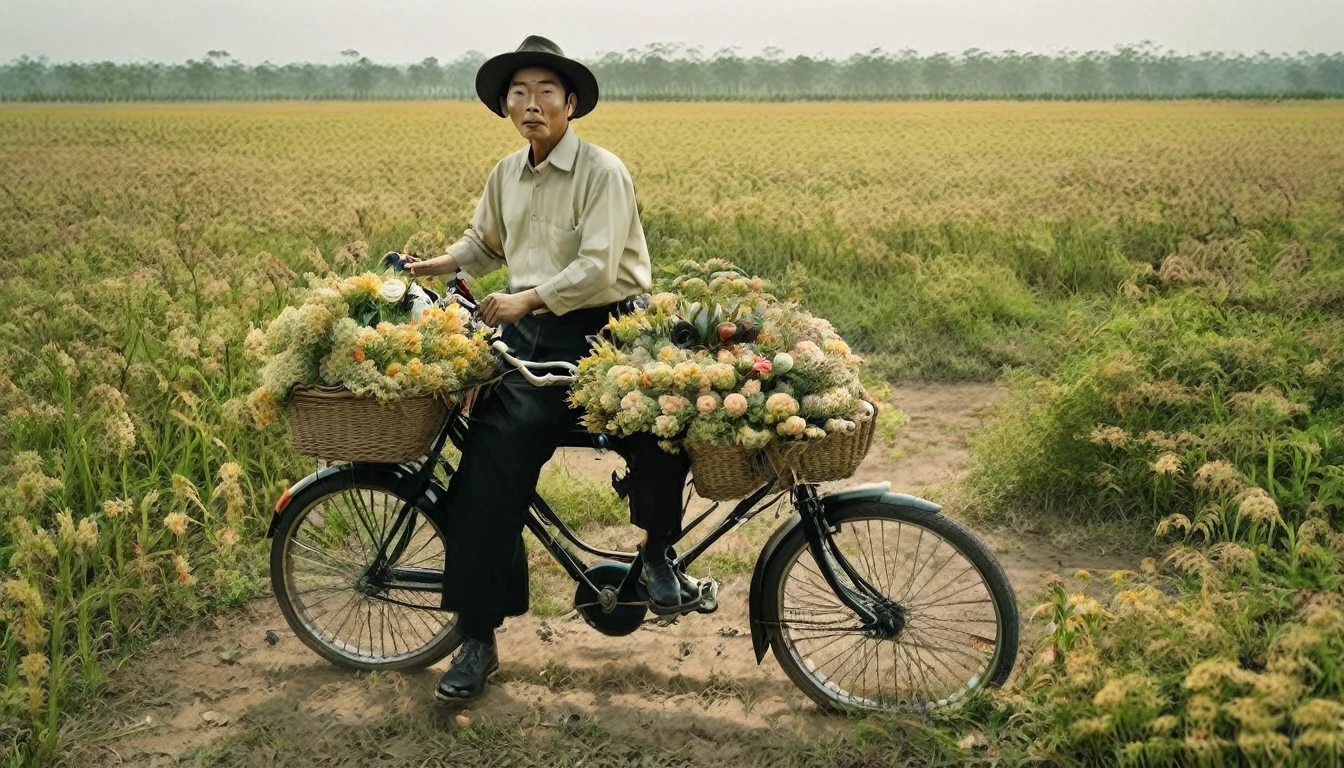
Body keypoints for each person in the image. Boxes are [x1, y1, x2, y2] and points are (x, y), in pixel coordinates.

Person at [404, 35, 693, 703]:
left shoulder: (602, 171)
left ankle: (655, 555)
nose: (531, 104)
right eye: (518, 93)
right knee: (487, 469)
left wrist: (525, 298)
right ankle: (478, 637)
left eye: (545, 92)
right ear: (506, 105)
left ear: (570, 104)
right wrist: (432, 266)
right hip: (531, 331)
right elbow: (482, 243)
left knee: (660, 430)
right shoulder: (506, 173)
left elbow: (596, 268)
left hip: (611, 327)